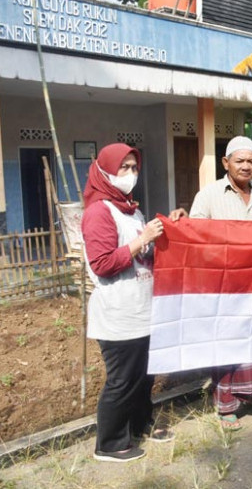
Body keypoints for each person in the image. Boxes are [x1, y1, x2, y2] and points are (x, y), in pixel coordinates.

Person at [169, 135, 252, 431]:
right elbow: (195, 237)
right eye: (240, 160)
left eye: (251, 161)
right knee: (227, 343)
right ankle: (226, 405)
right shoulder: (209, 196)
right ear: (226, 163)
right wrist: (181, 223)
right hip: (223, 286)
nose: (246, 166)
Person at [82, 143, 175, 463]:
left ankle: (140, 424)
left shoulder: (131, 210)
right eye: (124, 168)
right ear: (106, 171)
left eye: (135, 168)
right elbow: (102, 264)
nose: (131, 174)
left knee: (143, 375)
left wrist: (166, 230)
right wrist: (143, 239)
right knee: (122, 380)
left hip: (142, 309)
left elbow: (144, 254)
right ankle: (109, 444)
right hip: (118, 313)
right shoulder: (99, 212)